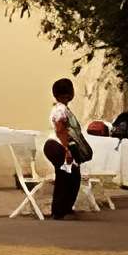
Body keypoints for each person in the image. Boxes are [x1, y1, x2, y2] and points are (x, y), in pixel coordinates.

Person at [44, 77, 88, 219]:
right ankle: (59, 211)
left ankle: (65, 208)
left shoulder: (62, 108)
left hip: (60, 145)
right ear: (70, 93)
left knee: (73, 175)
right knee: (65, 175)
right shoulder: (60, 110)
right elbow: (60, 130)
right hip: (58, 145)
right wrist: (67, 150)